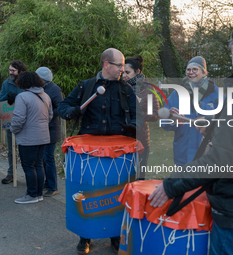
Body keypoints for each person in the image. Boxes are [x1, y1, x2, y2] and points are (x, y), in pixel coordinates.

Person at [149, 7, 233, 255]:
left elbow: (221, 159)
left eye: (232, 44)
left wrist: (171, 185)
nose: (230, 49)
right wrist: (214, 127)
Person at [59, 48, 144, 254]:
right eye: (119, 65)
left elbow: (137, 114)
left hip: (118, 153)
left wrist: (133, 126)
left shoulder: (125, 89)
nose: (122, 70)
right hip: (88, 151)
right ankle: (85, 236)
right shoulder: (86, 86)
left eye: (124, 66)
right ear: (106, 65)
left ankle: (115, 235)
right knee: (87, 193)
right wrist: (73, 111)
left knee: (117, 194)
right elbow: (62, 107)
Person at [161, 56, 222, 166]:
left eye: (195, 69)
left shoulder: (217, 94)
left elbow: (224, 119)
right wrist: (172, 119)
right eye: (188, 70)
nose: (191, 72)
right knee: (182, 182)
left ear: (204, 73)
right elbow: (165, 123)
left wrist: (200, 105)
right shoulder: (177, 94)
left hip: (208, 152)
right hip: (183, 152)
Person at [10, 71, 53, 204]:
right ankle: (38, 194)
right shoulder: (46, 96)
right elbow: (50, 115)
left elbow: (18, 119)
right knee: (39, 165)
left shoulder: (22, 97)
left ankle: (32, 194)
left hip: (28, 138)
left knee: (29, 166)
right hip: (44, 136)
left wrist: (13, 130)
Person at [123, 55, 159, 179]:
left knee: (138, 177)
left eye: (127, 72)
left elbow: (154, 115)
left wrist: (136, 108)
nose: (124, 76)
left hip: (141, 139)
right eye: (123, 72)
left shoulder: (148, 89)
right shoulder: (120, 87)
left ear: (137, 71)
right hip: (122, 138)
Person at [35, 67, 63, 197]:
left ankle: (53, 186)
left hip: (51, 129)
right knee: (43, 158)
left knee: (48, 158)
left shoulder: (54, 89)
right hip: (41, 128)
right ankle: (47, 183)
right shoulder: (39, 88)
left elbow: (61, 107)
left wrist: (48, 115)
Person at [0, 60, 27, 184]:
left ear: (20, 71)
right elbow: (0, 99)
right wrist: (8, 96)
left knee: (25, 150)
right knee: (11, 149)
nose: (10, 72)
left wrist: (18, 96)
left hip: (25, 122)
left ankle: (29, 174)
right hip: (10, 121)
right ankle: (11, 174)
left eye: (13, 70)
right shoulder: (6, 83)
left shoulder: (26, 83)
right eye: (10, 70)